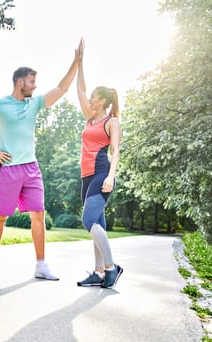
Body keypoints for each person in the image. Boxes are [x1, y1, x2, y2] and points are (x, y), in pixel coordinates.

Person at [0, 40, 83, 280]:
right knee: (0, 216)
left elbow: (61, 89)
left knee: (38, 214)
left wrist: (76, 62)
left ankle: (41, 265)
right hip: (8, 169)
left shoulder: (35, 103)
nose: (35, 85)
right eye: (31, 81)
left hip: (31, 168)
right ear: (20, 82)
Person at [75, 39, 123, 289]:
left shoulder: (111, 122)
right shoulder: (90, 118)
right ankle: (98, 271)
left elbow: (115, 151)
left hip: (101, 173)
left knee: (89, 220)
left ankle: (112, 268)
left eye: (94, 97)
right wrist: (79, 62)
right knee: (98, 224)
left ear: (102, 101)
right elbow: (80, 91)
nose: (90, 100)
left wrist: (111, 176)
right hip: (85, 175)